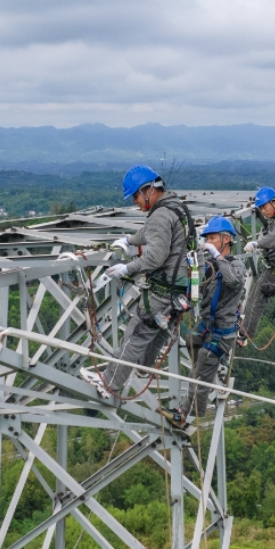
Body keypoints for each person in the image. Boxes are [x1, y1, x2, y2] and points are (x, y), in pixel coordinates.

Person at [81, 165, 194, 404]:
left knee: (134, 337)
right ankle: (144, 367)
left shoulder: (160, 215)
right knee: (156, 333)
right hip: (179, 291)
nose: (135, 202)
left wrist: (127, 268)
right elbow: (151, 233)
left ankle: (109, 384)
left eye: (135, 196)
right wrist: (129, 240)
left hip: (162, 291)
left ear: (148, 190)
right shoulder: (176, 207)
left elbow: (155, 257)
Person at [185, 216, 246, 422]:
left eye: (212, 238)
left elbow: (233, 280)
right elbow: (197, 287)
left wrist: (217, 256)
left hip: (222, 331)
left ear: (226, 239)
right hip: (206, 325)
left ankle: (189, 413)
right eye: (207, 239)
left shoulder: (236, 266)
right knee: (192, 343)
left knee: (201, 370)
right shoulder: (210, 265)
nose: (208, 242)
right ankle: (207, 372)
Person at [240, 186, 275, 344]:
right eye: (260, 209)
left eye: (264, 207)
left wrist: (256, 244)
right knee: (253, 299)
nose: (263, 211)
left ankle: (245, 335)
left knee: (256, 302)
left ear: (274, 203)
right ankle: (245, 331)